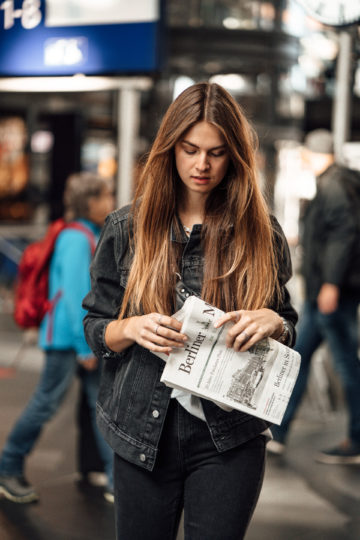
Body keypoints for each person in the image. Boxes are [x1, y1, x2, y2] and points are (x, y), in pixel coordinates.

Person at [82, 82, 298, 540]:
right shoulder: (127, 228)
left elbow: (288, 322)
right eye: (190, 149)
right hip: (140, 431)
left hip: (230, 437)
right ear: (170, 149)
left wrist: (274, 321)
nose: (202, 165)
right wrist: (133, 327)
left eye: (217, 153)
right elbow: (95, 328)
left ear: (235, 156)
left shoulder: (261, 233)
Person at [0, 171, 115, 504]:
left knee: (100, 406)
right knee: (45, 403)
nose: (110, 202)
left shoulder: (85, 234)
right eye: (105, 196)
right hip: (68, 340)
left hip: (74, 339)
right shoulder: (77, 238)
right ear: (90, 201)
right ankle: (8, 467)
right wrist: (86, 346)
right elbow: (76, 297)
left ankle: (114, 479)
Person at [269, 129, 360, 463]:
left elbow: (342, 236)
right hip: (326, 292)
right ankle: (277, 432)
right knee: (297, 359)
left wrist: (331, 284)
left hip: (330, 294)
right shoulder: (340, 182)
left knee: (346, 364)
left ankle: (357, 439)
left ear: (311, 153)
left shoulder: (333, 185)